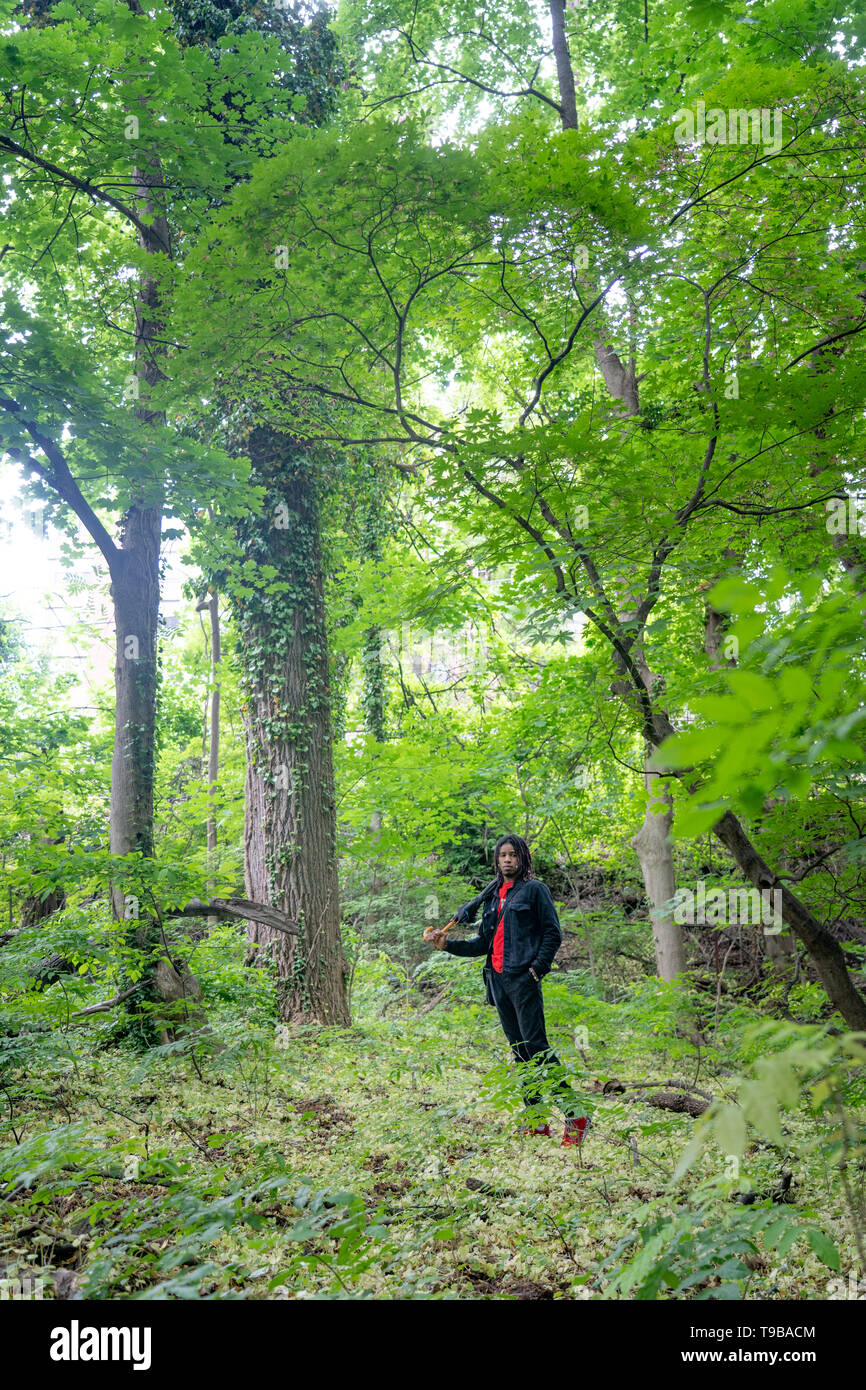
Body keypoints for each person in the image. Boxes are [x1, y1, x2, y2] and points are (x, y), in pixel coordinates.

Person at [428, 833, 592, 1147]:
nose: (507, 859)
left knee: (538, 1048)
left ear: (522, 858)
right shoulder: (492, 896)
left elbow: (552, 934)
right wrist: (447, 945)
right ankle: (536, 1120)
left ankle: (576, 1114)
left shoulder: (535, 891)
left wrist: (536, 970)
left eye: (512, 854)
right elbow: (481, 946)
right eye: (502, 855)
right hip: (498, 981)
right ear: (497, 859)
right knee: (519, 1051)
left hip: (523, 980)